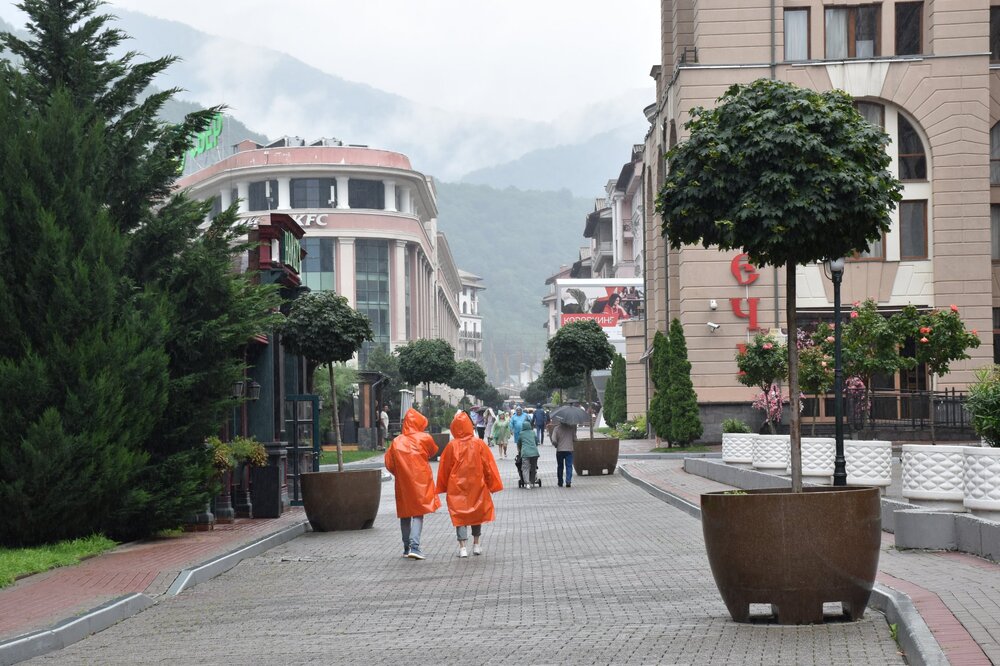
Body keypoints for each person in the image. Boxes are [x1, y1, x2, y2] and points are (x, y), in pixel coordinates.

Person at [437, 411, 503, 558]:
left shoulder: (451, 446)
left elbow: (444, 468)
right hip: (476, 484)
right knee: (476, 513)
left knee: (459, 515)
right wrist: (492, 484)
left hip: (457, 487)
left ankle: (462, 548)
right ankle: (476, 544)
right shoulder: (478, 443)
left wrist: (443, 486)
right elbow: (488, 465)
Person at [383, 408, 441, 559]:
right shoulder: (424, 438)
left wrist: (400, 473)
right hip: (420, 480)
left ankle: (406, 548)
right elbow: (433, 451)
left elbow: (389, 463)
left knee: (405, 514)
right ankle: (415, 547)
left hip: (403, 482)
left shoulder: (396, 441)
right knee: (418, 513)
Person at [551, 421, 576, 488]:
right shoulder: (571, 428)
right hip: (569, 450)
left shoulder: (556, 428)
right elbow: (575, 439)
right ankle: (568, 481)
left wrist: (556, 445)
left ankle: (560, 482)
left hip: (560, 450)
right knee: (569, 466)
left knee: (560, 466)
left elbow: (553, 440)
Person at [516, 419, 540, 487]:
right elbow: (536, 441)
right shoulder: (533, 432)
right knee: (533, 467)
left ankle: (527, 483)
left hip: (525, 453)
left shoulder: (521, 433)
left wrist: (520, 450)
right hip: (534, 453)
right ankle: (532, 481)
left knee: (525, 468)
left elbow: (519, 443)